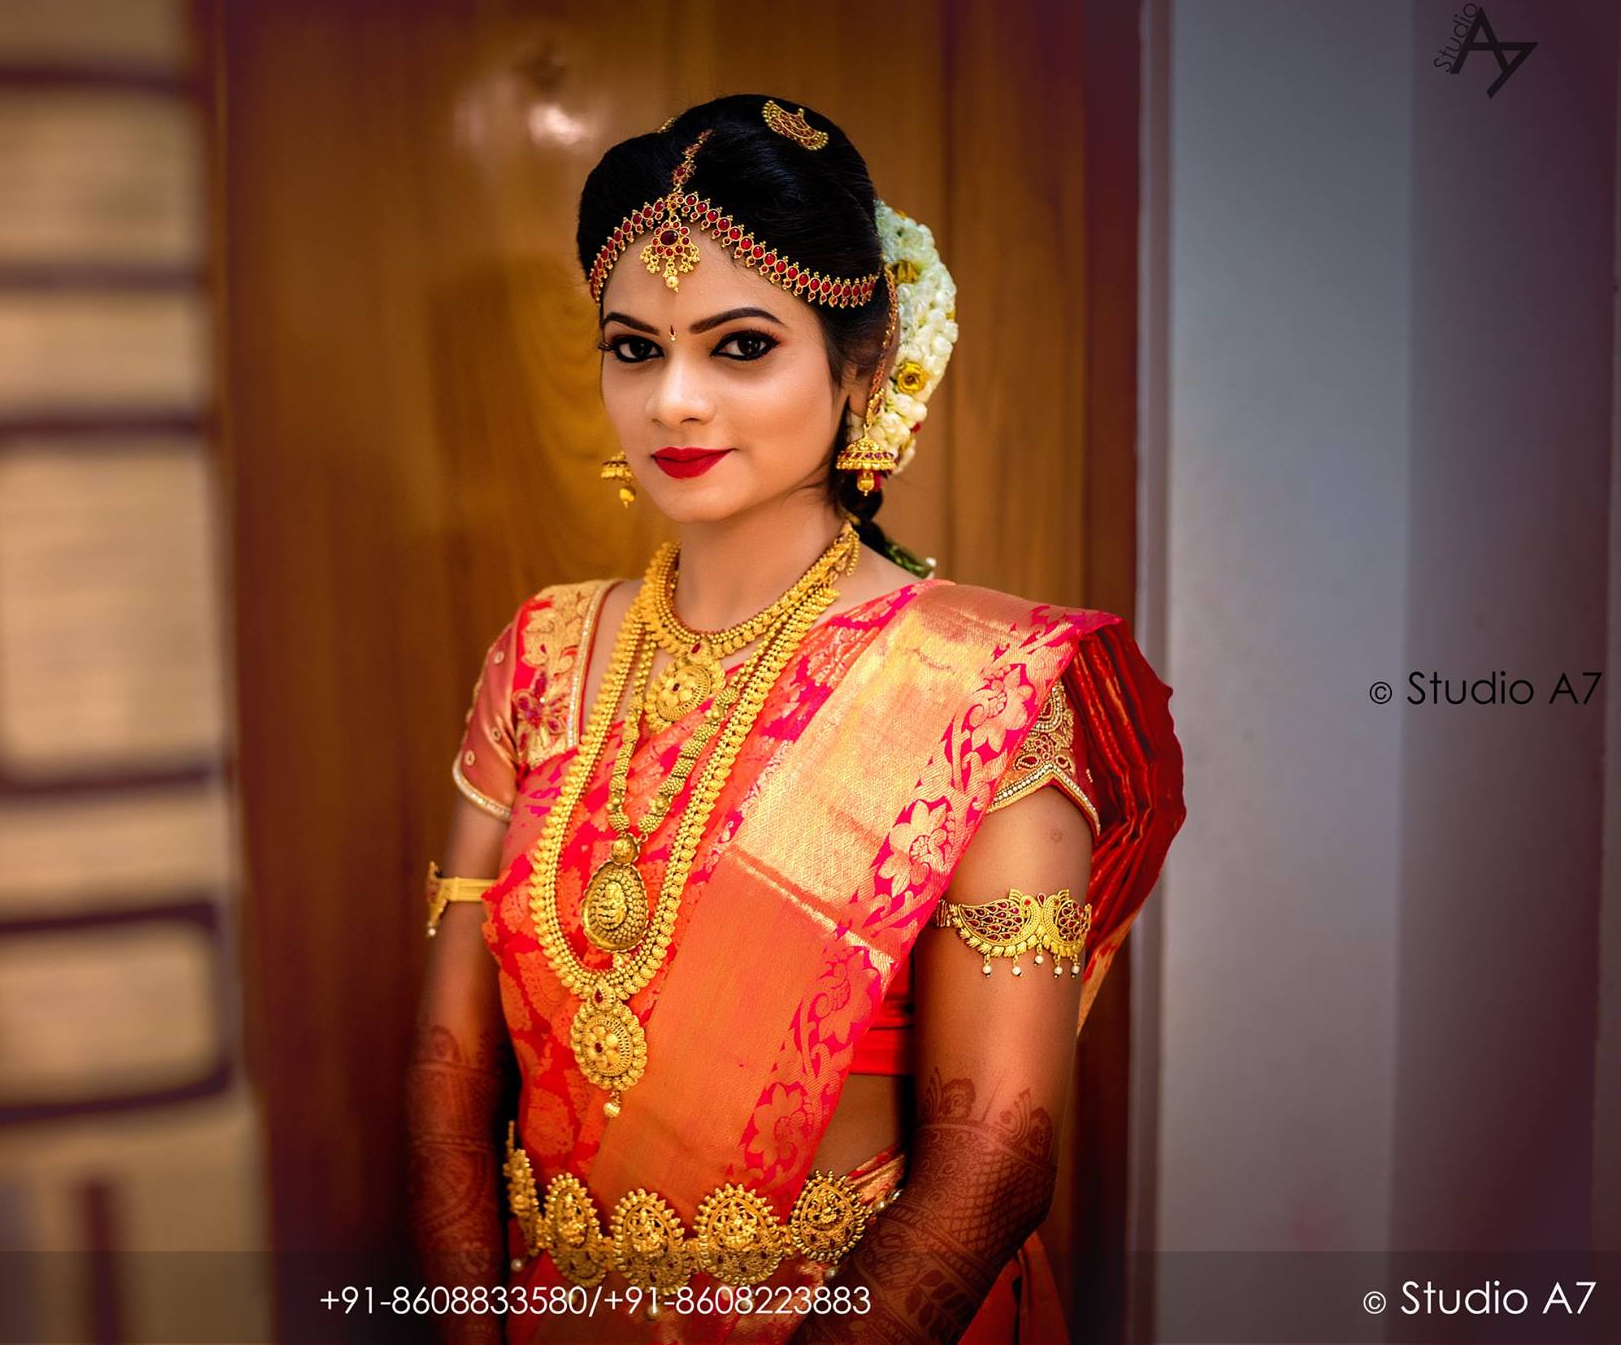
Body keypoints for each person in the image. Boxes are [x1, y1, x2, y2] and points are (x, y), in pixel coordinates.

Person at [405, 94, 1186, 1345]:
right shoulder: (538, 655)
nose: (671, 401)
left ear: (861, 366)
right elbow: (450, 1074)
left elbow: (991, 1165)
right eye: (631, 347)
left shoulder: (978, 688)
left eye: (739, 345)